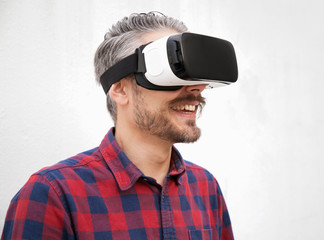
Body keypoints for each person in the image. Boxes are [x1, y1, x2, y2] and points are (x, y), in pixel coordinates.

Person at [2, 12, 234, 240]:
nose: (197, 88)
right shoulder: (52, 194)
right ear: (120, 89)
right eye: (174, 70)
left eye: (195, 77)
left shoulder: (205, 188)